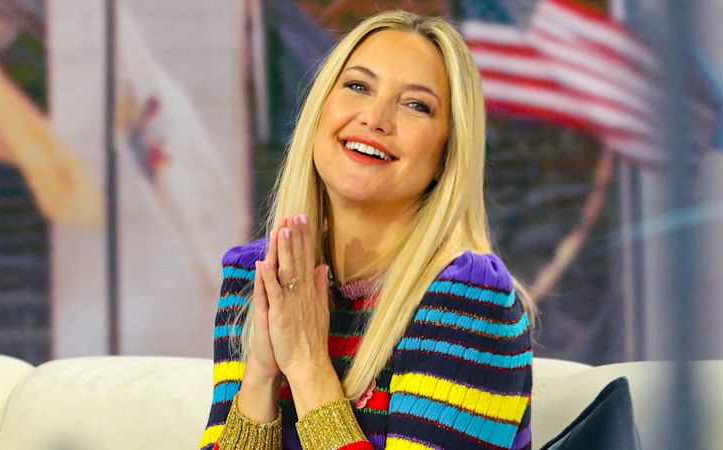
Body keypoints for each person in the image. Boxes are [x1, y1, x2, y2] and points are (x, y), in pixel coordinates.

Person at [199, 10, 534, 450]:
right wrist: (261, 377)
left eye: (416, 105)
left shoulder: (468, 296)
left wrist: (308, 367)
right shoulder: (256, 275)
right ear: (320, 109)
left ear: (447, 154)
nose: (375, 118)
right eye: (358, 86)